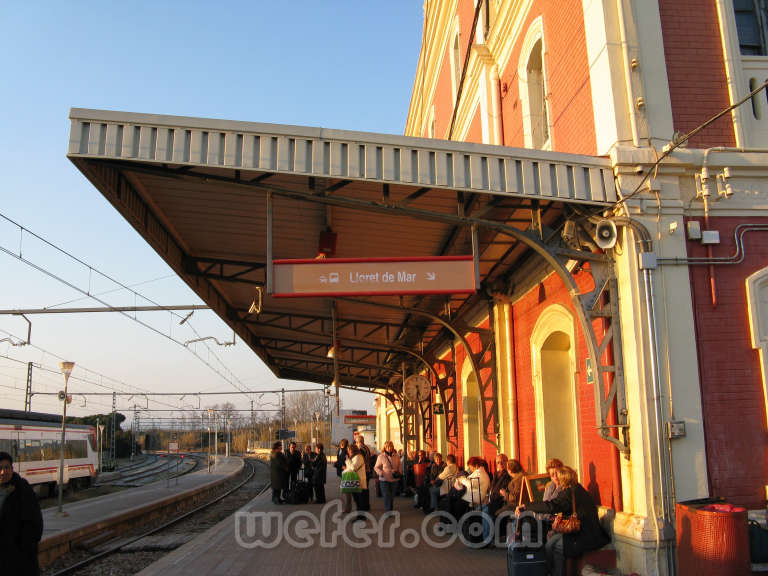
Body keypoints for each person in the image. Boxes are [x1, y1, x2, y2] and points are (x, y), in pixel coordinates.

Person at [517, 466, 609, 576]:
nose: (556, 479)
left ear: (563, 479)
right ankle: (552, 571)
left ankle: (553, 572)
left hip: (585, 535)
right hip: (584, 531)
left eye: (558, 477)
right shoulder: (576, 488)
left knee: (554, 546)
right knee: (550, 543)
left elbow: (552, 506)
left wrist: (526, 506)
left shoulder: (569, 492)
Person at [0, 451, 43, 576]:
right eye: (0, 468)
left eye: (6, 467)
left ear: (12, 469)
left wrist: (27, 547)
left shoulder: (22, 489)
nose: (3, 472)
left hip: (20, 556)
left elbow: (35, 521)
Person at [374, 440, 401, 512]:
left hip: (394, 479)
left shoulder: (396, 456)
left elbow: (399, 465)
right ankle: (388, 510)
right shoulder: (381, 456)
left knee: (391, 496)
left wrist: (399, 472)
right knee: (386, 495)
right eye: (387, 447)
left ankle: (390, 508)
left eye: (391, 446)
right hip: (384, 479)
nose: (389, 448)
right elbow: (376, 467)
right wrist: (381, 473)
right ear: (385, 448)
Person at [346, 444, 369, 521]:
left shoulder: (358, 457)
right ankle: (360, 516)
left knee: (360, 500)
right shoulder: (354, 457)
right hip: (355, 481)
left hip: (359, 482)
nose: (348, 452)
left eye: (349, 450)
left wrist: (348, 460)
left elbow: (353, 468)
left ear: (352, 450)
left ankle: (361, 517)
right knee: (357, 500)